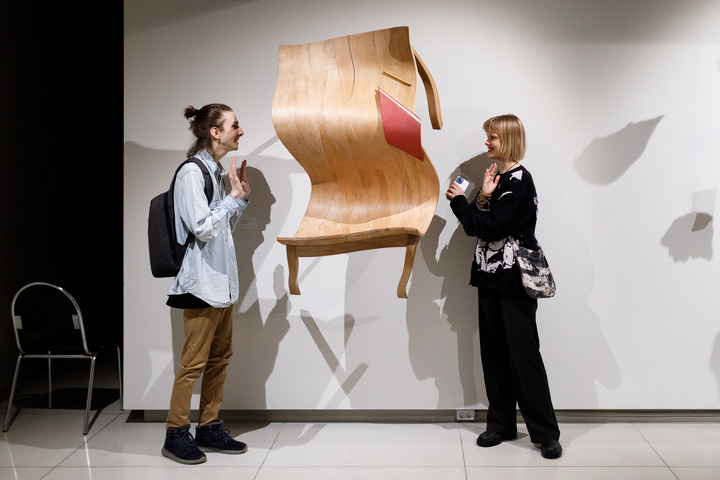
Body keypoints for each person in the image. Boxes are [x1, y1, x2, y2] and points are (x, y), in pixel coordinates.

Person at [445, 114, 562, 459]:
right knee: (494, 353)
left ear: (508, 139)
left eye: (492, 137)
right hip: (489, 276)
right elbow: (483, 220)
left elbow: (490, 227)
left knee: (524, 355)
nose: (487, 142)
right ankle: (500, 424)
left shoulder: (520, 180)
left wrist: (460, 203)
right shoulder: (499, 178)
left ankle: (545, 432)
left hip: (514, 280)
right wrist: (483, 195)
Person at [161, 103, 251, 465]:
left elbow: (220, 229)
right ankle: (175, 433)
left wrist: (238, 199)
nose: (240, 131)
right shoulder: (191, 173)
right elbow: (201, 228)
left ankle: (209, 427)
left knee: (219, 358)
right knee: (193, 363)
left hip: (220, 284)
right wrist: (231, 200)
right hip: (200, 284)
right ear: (215, 132)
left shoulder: (214, 173)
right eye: (235, 125)